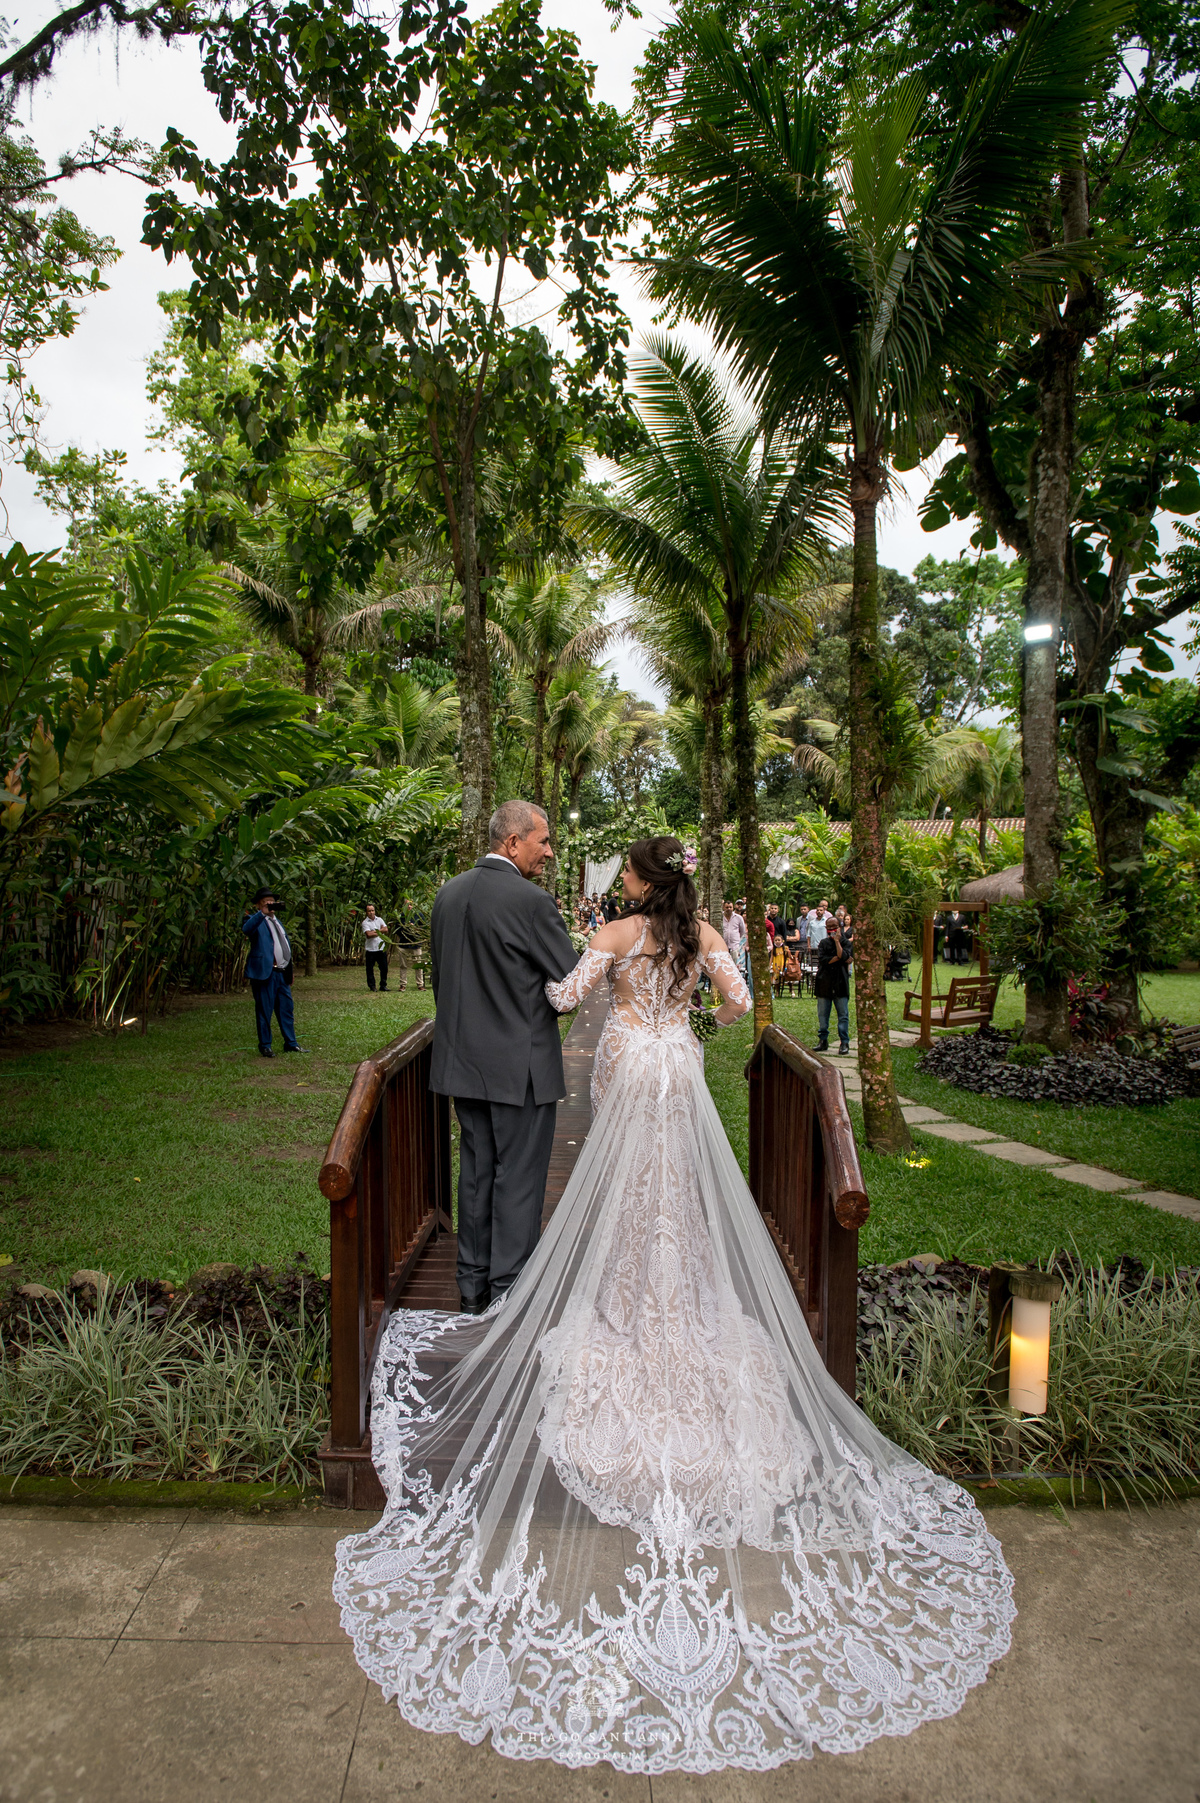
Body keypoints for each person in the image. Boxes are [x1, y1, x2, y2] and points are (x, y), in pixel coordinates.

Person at [335, 834, 1013, 1774]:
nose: (620, 885)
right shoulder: (699, 929)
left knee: (627, 1206)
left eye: (627, 874)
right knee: (681, 1202)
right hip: (680, 1071)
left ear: (640, 880)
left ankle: (624, 1315)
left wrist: (574, 991)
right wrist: (690, 1021)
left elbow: (565, 997)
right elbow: (739, 1003)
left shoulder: (614, 931)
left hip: (625, 1067)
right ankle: (684, 1315)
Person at [428, 799, 578, 1315]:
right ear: (512, 842)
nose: (550, 852)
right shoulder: (531, 903)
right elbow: (571, 981)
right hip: (521, 1068)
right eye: (544, 841)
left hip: (461, 1063)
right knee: (518, 1177)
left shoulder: (447, 895)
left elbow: (446, 981)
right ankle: (509, 1290)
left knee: (475, 1173)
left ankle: (471, 1286)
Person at [241, 887, 304, 1057]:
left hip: (281, 973)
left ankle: (291, 1043)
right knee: (264, 1009)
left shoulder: (277, 922)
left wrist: (289, 970)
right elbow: (246, 929)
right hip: (264, 973)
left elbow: (284, 946)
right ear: (258, 905)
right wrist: (262, 914)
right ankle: (265, 1045)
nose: (270, 905)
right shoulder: (254, 920)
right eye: (265, 902)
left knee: (286, 1009)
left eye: (271, 902)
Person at [814, 914, 851, 1054]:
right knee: (823, 1015)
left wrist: (837, 942)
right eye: (829, 928)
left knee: (843, 1015)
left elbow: (845, 956)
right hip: (824, 983)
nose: (832, 930)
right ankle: (823, 1040)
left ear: (839, 927)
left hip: (840, 983)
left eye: (834, 927)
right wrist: (839, 958)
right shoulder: (823, 943)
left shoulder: (846, 942)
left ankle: (844, 1042)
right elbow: (824, 960)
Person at [361, 901, 389, 992]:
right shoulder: (365, 923)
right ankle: (372, 986)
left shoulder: (379, 919)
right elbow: (368, 934)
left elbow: (386, 929)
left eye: (372, 910)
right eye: (369, 911)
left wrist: (375, 932)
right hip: (371, 949)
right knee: (370, 969)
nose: (371, 912)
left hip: (381, 948)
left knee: (384, 968)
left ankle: (383, 985)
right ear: (366, 912)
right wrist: (380, 931)